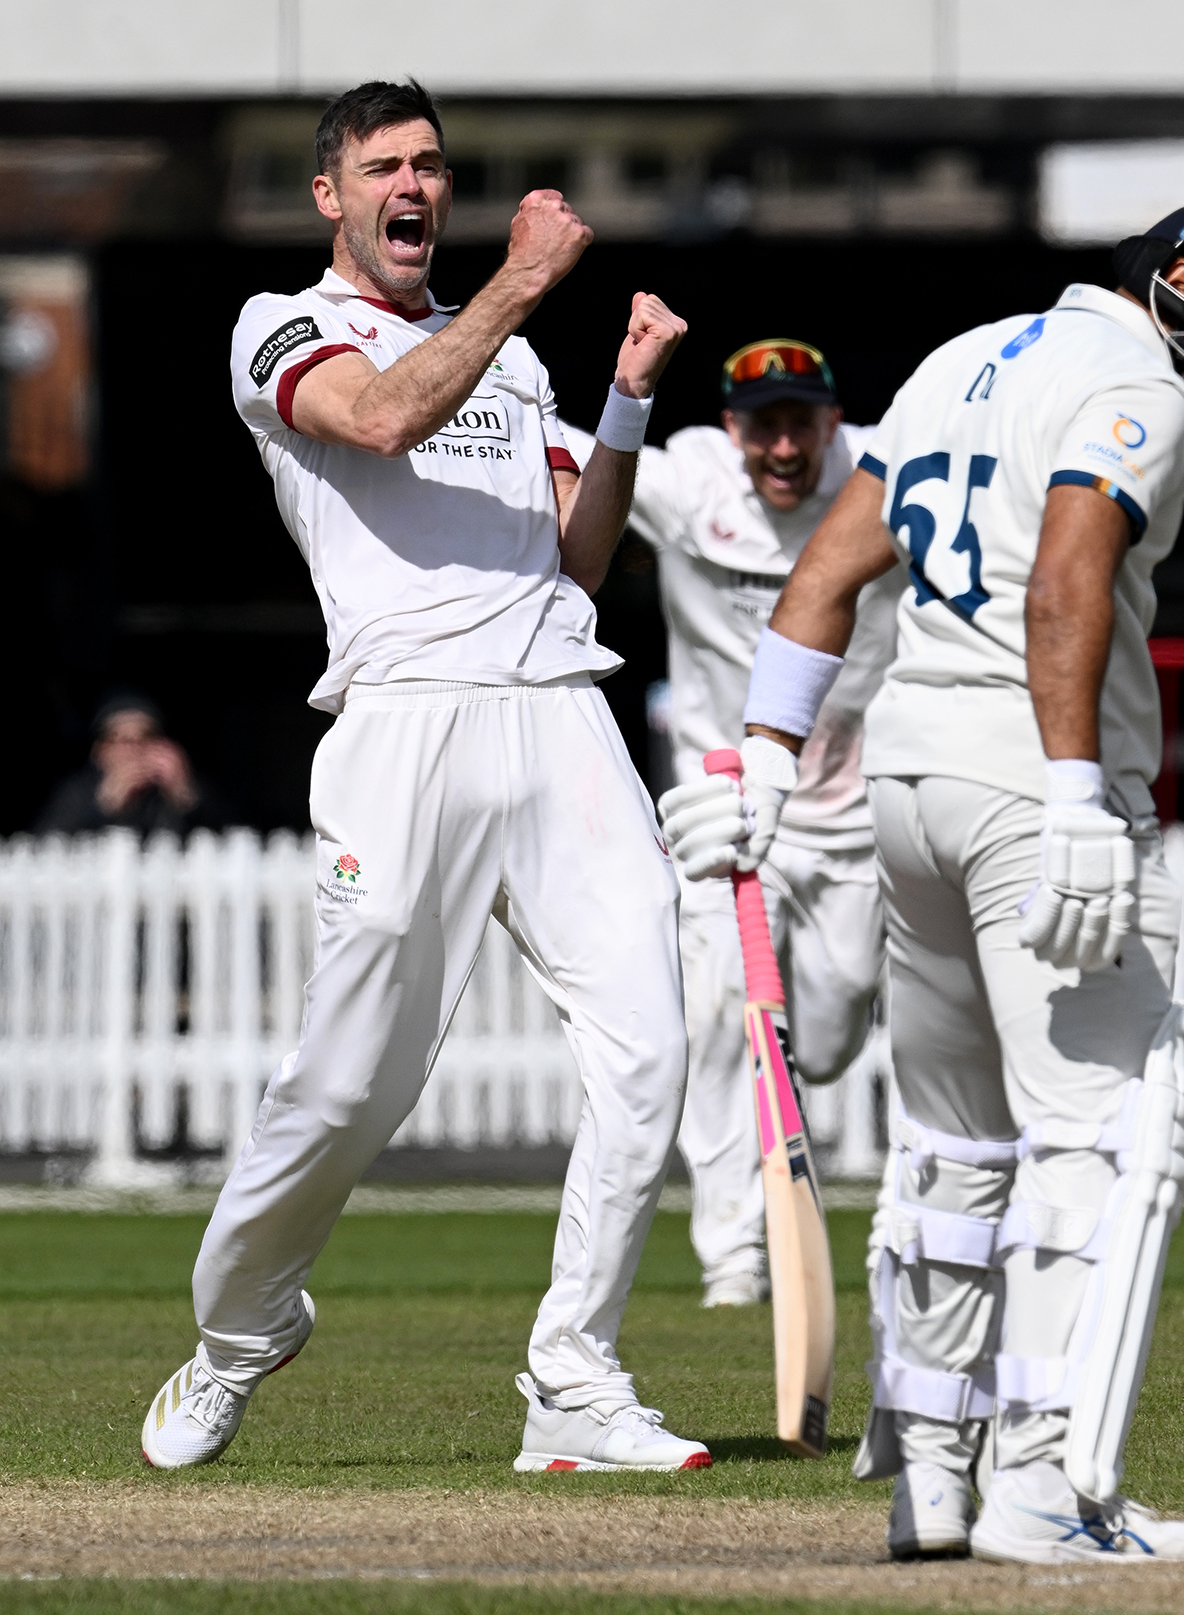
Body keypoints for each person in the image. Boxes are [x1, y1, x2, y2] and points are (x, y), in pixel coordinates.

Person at [664, 199, 1184, 1559]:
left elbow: (830, 571)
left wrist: (769, 766)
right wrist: (1078, 788)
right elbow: (1069, 571)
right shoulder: (1134, 382)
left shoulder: (963, 355)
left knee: (954, 1145)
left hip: (909, 784)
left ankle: (933, 1469)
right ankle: (1046, 1483)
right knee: (1111, 1132)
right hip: (1035, 789)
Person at [140, 78, 709, 1476]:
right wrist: (519, 281)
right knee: (350, 1084)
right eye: (386, 165)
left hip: (559, 709)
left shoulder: (510, 364)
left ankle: (574, 1377)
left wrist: (627, 400)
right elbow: (383, 419)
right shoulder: (282, 327)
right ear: (329, 192)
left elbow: (577, 555)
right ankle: (237, 1333)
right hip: (402, 724)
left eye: (434, 165)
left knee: (651, 1046)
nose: (416, 187)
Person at [565, 342, 899, 1307]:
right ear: (732, 426)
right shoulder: (687, 477)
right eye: (764, 424)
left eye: (802, 421)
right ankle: (733, 1257)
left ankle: (776, 1155)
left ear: (834, 423)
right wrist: (626, 392)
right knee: (716, 1020)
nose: (783, 445)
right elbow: (580, 470)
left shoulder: (882, 470)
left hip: (852, 812)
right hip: (725, 807)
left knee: (825, 1040)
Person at [34, 693, 229, 837]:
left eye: (146, 737)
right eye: (122, 740)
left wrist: (185, 797)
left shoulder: (179, 790)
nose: (135, 749)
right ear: (100, 751)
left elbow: (236, 839)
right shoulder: (75, 792)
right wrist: (102, 808)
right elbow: (44, 849)